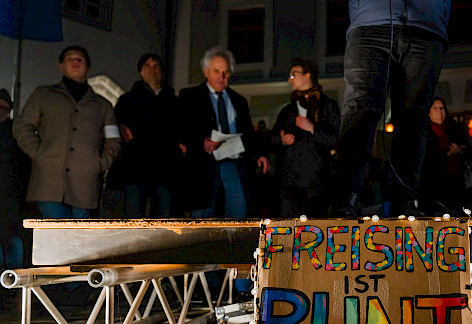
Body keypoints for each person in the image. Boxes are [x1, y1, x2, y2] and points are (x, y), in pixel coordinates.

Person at [337, 0, 451, 216]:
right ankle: (346, 198)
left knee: (414, 119)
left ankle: (405, 202)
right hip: (371, 23)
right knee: (360, 111)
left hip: (426, 27)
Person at [13, 45, 121, 219]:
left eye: (80, 59)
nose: (75, 62)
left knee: (77, 233)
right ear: (61, 66)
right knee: (57, 230)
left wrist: (100, 163)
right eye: (70, 58)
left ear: (88, 68)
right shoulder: (43, 95)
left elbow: (113, 138)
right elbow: (22, 126)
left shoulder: (103, 105)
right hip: (48, 182)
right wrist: (38, 153)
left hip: (85, 183)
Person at [179, 46, 269, 218]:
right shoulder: (190, 96)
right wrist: (201, 143)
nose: (222, 76)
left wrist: (259, 154)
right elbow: (182, 129)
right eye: (217, 71)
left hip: (234, 163)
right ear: (206, 72)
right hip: (204, 165)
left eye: (226, 72)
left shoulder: (239, 100)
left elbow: (248, 133)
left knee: (238, 212)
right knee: (204, 219)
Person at [110, 53, 184, 218]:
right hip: (135, 168)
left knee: (165, 219)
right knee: (134, 218)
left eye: (156, 65)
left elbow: (182, 130)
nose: (153, 69)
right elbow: (117, 127)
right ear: (140, 72)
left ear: (162, 71)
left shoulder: (174, 102)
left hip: (166, 169)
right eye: (148, 65)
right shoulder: (127, 100)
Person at [271, 58, 340, 217]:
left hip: (315, 182)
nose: (290, 80)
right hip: (289, 182)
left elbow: (336, 140)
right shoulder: (287, 110)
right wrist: (282, 140)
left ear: (307, 75)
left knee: (313, 227)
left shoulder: (327, 106)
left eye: (293, 75)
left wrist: (312, 128)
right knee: (289, 227)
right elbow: (272, 138)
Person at [419, 97, 472, 215]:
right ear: (429, 112)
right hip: (433, 190)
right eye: (435, 108)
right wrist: (448, 154)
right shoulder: (424, 134)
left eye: (441, 108)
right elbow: (426, 162)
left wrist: (459, 151)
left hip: (456, 187)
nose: (439, 111)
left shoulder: (454, 130)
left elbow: (470, 154)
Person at [0, 89, 29, 269]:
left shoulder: (16, 133)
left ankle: (13, 277)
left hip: (11, 197)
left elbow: (25, 166)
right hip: (11, 196)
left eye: (3, 107)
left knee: (12, 238)